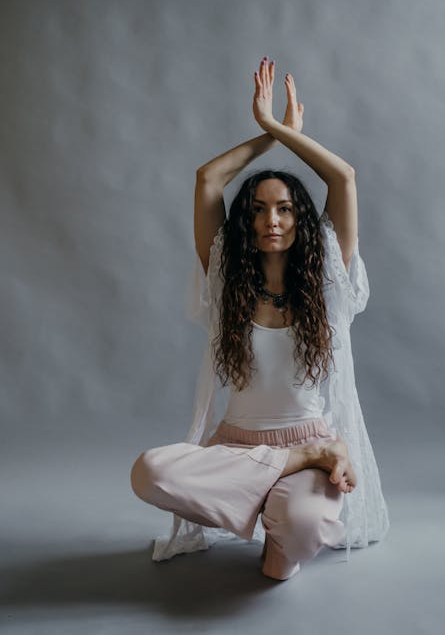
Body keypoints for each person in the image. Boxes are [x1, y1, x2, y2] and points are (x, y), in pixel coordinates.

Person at [130, 56, 390, 580]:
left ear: (302, 219)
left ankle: (286, 505)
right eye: (257, 208)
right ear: (244, 220)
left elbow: (343, 177)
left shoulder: (327, 285)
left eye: (287, 208)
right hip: (236, 448)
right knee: (150, 472)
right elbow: (209, 178)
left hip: (303, 433)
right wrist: (267, 138)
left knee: (294, 542)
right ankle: (305, 465)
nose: (272, 220)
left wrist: (278, 129)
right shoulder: (225, 276)